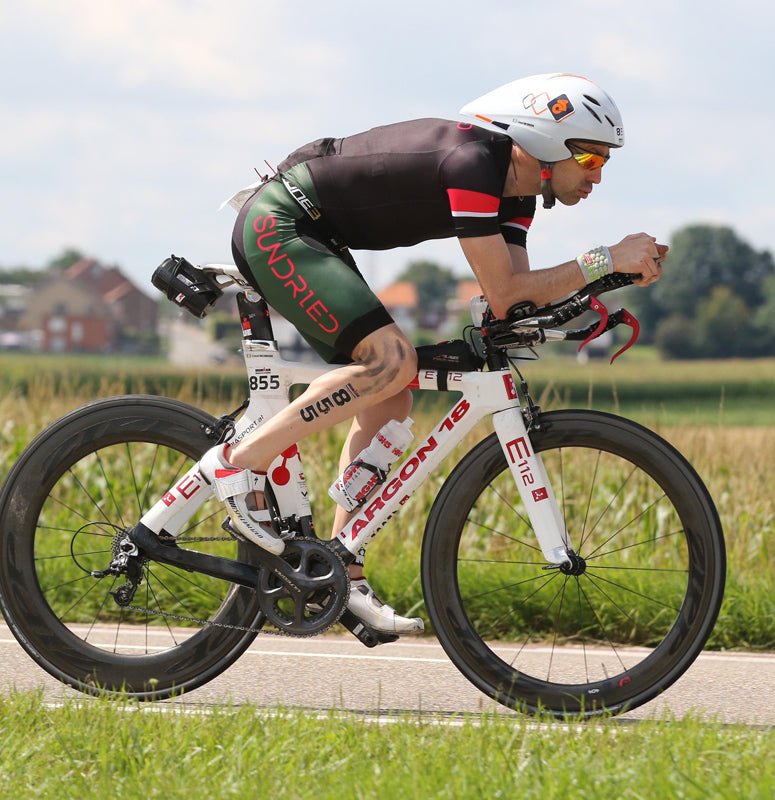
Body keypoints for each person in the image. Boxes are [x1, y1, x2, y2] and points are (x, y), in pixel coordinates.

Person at [199, 73, 665, 635]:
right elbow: (508, 292)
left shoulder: (517, 197)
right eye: (590, 157)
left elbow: (513, 298)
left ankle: (343, 566)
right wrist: (604, 257)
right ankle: (238, 462)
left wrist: (604, 278)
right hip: (281, 225)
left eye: (605, 161)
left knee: (392, 397)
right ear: (544, 141)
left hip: (319, 234)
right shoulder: (472, 163)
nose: (597, 174)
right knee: (390, 363)